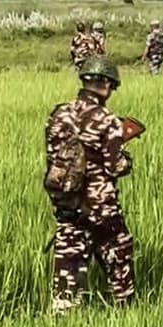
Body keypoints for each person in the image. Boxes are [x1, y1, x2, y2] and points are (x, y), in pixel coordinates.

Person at [43, 55, 136, 312]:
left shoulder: (59, 114)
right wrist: (127, 158)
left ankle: (63, 317)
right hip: (99, 206)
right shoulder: (107, 120)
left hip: (67, 204)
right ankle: (123, 312)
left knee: (68, 265)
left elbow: (54, 156)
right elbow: (115, 166)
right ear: (106, 85)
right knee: (119, 253)